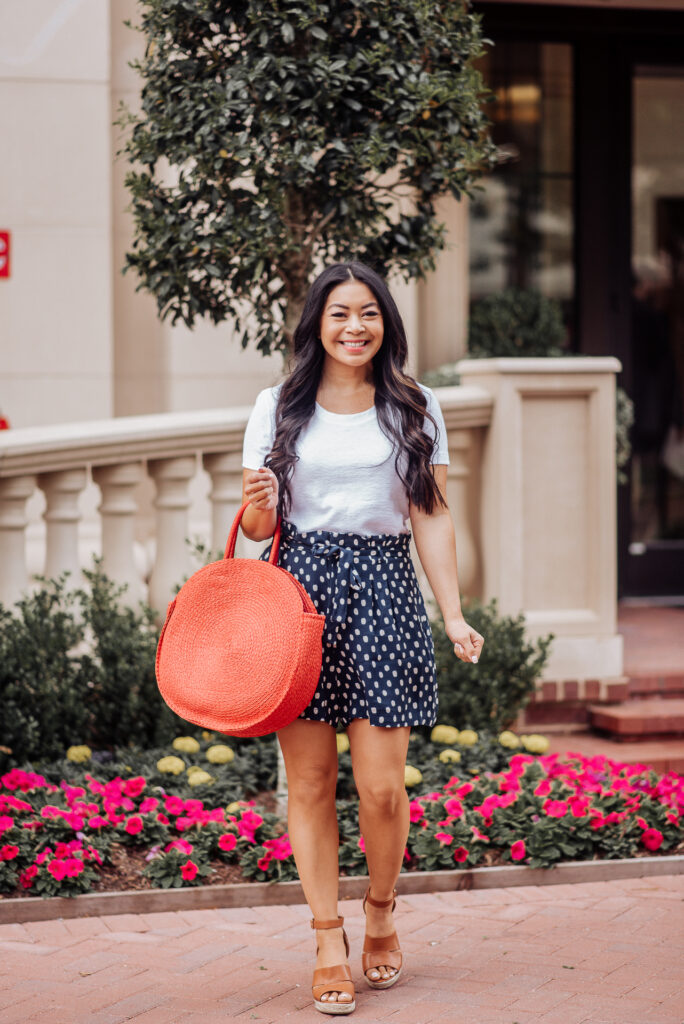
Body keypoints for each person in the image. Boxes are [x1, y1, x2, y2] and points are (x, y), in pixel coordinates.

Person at [241, 261, 484, 1016]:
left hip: (384, 591)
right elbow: (257, 531)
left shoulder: (415, 405)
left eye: (369, 313)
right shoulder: (277, 406)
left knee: (381, 788)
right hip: (299, 596)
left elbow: (431, 515)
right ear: (317, 321)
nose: (355, 326)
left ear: (386, 324)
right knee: (310, 783)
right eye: (340, 312)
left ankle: (380, 911)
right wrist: (257, 502)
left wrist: (452, 611)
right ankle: (326, 939)